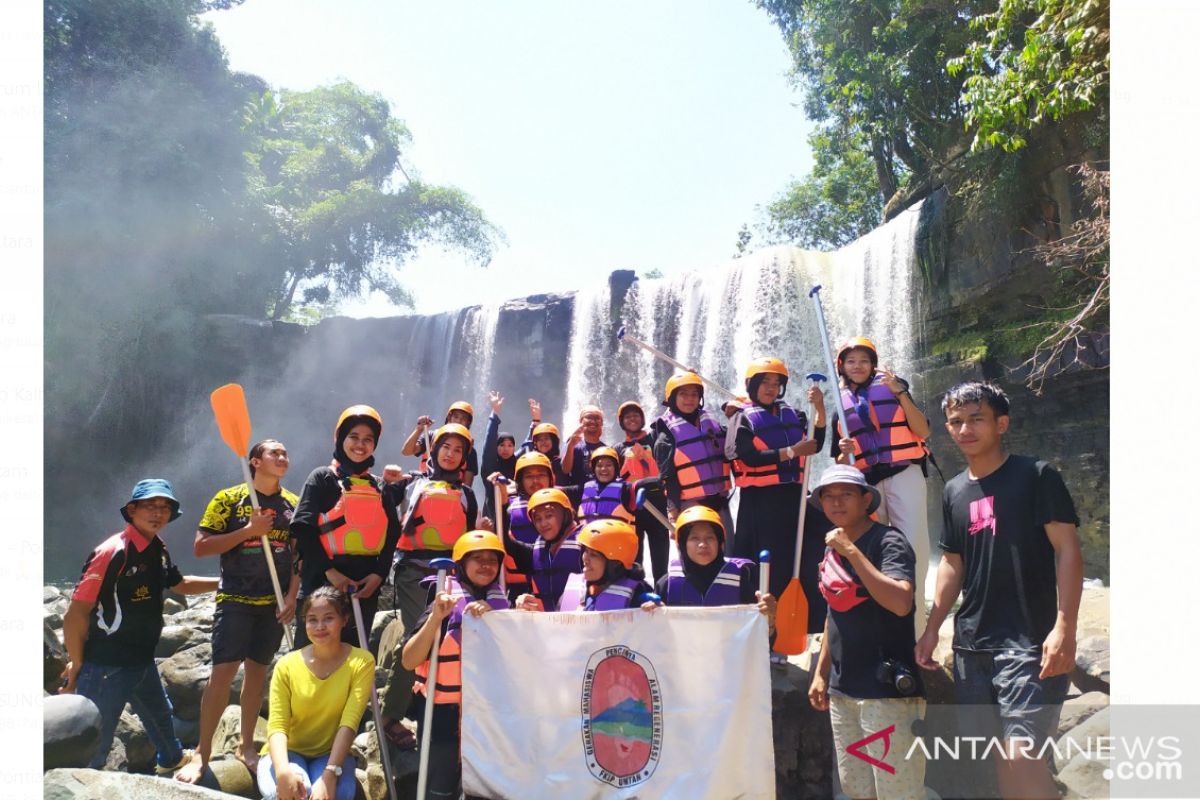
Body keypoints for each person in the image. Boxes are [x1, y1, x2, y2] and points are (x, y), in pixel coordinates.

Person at [915, 381, 1082, 800]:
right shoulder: (953, 490)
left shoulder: (1036, 476)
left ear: (1001, 423)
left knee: (1020, 755)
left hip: (1029, 641)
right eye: (956, 421)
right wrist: (934, 627)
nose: (965, 429)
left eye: (976, 419)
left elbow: (1067, 550)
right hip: (973, 646)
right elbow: (953, 562)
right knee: (996, 758)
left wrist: (1065, 626)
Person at [59, 479, 219, 772]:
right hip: (107, 665)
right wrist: (77, 663)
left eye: (165, 507)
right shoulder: (112, 551)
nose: (158, 513)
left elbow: (180, 584)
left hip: (142, 660)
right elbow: (76, 613)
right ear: (132, 510)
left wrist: (223, 583)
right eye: (150, 506)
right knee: (95, 740)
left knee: (160, 716)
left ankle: (171, 760)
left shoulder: (157, 548)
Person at [178, 440, 300, 782]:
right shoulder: (229, 499)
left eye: (285, 453)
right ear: (255, 462)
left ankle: (246, 745)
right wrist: (249, 530)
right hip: (234, 601)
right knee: (223, 674)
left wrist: (291, 596)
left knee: (258, 674)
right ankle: (201, 752)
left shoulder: (293, 504)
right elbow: (201, 547)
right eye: (275, 453)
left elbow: (298, 556)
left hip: (272, 605)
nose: (283, 457)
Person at [807, 465, 927, 800]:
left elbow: (901, 602)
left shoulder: (888, 541)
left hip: (886, 689)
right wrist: (820, 672)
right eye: (828, 496)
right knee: (857, 789)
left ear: (865, 500)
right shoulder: (833, 547)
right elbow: (834, 609)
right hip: (844, 689)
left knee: (898, 790)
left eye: (845, 494)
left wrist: (852, 553)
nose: (836, 503)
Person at [378, 423, 479, 745]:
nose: (451, 454)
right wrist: (386, 481)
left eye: (458, 450)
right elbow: (380, 506)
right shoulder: (411, 484)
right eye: (445, 447)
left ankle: (435, 706)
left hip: (451, 574)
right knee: (416, 637)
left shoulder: (467, 494)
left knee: (448, 638)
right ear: (434, 451)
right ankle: (390, 715)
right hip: (413, 572)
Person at [830, 337, 933, 635]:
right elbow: (839, 461)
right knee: (874, 551)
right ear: (842, 367)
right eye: (851, 361)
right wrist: (844, 451)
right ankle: (881, 629)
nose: (857, 366)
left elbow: (923, 430)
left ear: (873, 364)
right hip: (868, 484)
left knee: (913, 547)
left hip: (904, 474)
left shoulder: (893, 386)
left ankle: (914, 630)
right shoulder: (840, 402)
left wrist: (900, 393)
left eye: (863, 360)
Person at [400, 532, 510, 800]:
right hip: (444, 713)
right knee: (441, 786)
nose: (486, 565)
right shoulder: (443, 602)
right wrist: (437, 618)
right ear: (461, 564)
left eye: (492, 560)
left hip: (487, 712)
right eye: (477, 559)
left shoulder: (501, 604)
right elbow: (409, 660)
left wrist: (505, 617)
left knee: (484, 788)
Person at [289, 405, 402, 648]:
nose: (360, 445)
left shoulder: (380, 486)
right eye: (353, 437)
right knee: (312, 660)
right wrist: (330, 572)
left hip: (364, 587)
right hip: (321, 583)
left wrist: (379, 575)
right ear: (340, 439)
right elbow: (302, 528)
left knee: (352, 660)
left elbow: (392, 534)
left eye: (368, 439)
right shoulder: (322, 478)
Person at [257, 586, 373, 800]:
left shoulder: (361, 662)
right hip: (285, 754)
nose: (320, 626)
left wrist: (330, 774)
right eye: (312, 620)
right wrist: (283, 773)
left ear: (344, 619)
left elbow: (349, 723)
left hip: (331, 754)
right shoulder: (286, 665)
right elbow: (277, 725)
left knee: (339, 795)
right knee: (292, 794)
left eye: (328, 618)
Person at [727, 357, 826, 602]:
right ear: (751, 385)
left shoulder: (795, 414)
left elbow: (816, 443)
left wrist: (821, 407)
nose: (771, 388)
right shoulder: (741, 417)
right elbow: (747, 456)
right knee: (767, 561)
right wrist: (792, 451)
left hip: (793, 497)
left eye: (776, 383)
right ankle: (761, 614)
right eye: (764, 382)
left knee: (809, 549)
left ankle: (812, 610)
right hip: (760, 503)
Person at [647, 506, 776, 632]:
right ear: (682, 544)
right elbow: (653, 640)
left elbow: (762, 638)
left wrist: (769, 620)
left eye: (710, 538)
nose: (703, 544)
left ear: (720, 543)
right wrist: (650, 618)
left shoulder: (740, 581)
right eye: (694, 538)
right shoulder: (665, 584)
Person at [651, 372, 733, 531]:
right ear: (672, 398)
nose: (690, 399)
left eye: (694, 394)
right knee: (697, 552)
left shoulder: (710, 421)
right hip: (690, 504)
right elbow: (668, 477)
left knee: (727, 549)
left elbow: (732, 442)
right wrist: (673, 509)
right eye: (683, 394)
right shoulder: (665, 436)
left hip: (720, 500)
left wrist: (738, 412)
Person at [614, 400, 670, 582]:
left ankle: (663, 593)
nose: (632, 419)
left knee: (660, 559)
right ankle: (637, 594)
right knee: (635, 560)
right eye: (627, 417)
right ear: (621, 422)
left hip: (657, 505)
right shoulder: (618, 449)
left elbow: (670, 425)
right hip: (633, 510)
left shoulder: (655, 438)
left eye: (636, 415)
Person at [507, 488, 584, 612]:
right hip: (546, 626)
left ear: (565, 515)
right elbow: (507, 544)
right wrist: (503, 504)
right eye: (538, 519)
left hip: (580, 624)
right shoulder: (536, 551)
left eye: (549, 516)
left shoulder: (586, 548)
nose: (543, 523)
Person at [558, 519, 654, 612]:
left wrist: (655, 611)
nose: (585, 559)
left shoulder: (637, 596)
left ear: (615, 565)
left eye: (594, 555)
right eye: (586, 551)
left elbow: (657, 620)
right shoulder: (574, 587)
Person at [402, 402, 480, 485]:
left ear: (468, 423)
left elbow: (467, 484)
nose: (459, 421)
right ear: (449, 418)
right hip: (425, 484)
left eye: (463, 418)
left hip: (452, 490)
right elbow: (406, 451)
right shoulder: (432, 436)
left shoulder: (469, 449)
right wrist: (418, 430)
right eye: (456, 416)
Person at [478, 390, 517, 520]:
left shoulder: (518, 467)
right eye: (501, 445)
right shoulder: (490, 468)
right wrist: (494, 414)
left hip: (514, 521)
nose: (506, 449)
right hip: (492, 520)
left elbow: (528, 445)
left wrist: (535, 422)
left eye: (510, 445)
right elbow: (489, 444)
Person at [520, 398, 569, 485]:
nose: (543, 442)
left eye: (546, 438)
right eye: (540, 440)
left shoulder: (560, 463)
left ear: (553, 441)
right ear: (536, 444)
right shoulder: (532, 462)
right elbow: (526, 445)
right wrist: (535, 421)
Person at [561, 404, 607, 486]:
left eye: (597, 418)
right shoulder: (573, 445)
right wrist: (570, 446)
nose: (593, 421)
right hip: (579, 495)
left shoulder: (606, 449)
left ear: (602, 423)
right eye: (589, 417)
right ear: (581, 421)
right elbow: (565, 470)